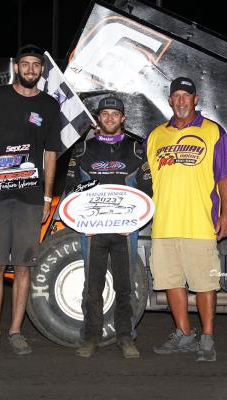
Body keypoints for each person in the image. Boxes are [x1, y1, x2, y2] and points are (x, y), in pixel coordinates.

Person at [0, 44, 62, 356]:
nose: (31, 69)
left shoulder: (48, 105)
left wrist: (47, 195)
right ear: (17, 67)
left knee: (23, 266)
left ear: (42, 70)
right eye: (25, 64)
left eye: (36, 65)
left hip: (31, 196)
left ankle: (16, 331)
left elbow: (51, 153)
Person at [145, 77, 227, 362]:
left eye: (188, 96)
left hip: (199, 222)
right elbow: (146, 181)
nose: (182, 101)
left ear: (196, 100)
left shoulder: (212, 131)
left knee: (204, 284)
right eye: (177, 96)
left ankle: (207, 338)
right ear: (170, 100)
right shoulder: (155, 135)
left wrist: (226, 213)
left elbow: (225, 176)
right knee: (171, 281)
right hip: (164, 224)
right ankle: (184, 334)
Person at [65, 96, 152, 358]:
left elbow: (148, 190)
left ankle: (125, 337)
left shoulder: (136, 150)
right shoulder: (82, 151)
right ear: (98, 119)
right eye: (105, 114)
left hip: (126, 231)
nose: (110, 118)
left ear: (123, 118)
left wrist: (134, 221)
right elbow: (70, 190)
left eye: (115, 114)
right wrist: (83, 220)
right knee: (92, 287)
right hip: (92, 231)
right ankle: (90, 337)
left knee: (125, 286)